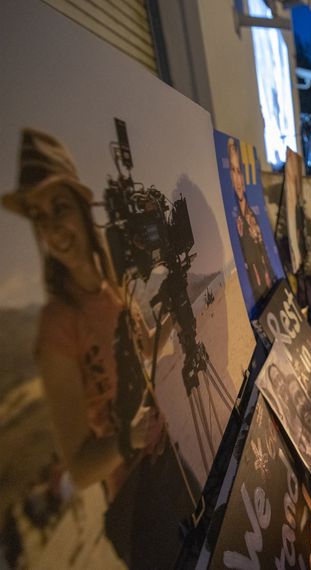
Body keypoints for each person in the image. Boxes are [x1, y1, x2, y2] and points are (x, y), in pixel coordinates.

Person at [2, 129, 198, 567]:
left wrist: (174, 308)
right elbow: (81, 468)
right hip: (136, 498)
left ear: (81, 209)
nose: (53, 227)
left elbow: (144, 352)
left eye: (60, 208)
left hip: (167, 461)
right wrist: (127, 437)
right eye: (40, 216)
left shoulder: (111, 287)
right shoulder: (58, 323)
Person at [228, 138, 274, 303]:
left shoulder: (253, 216)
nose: (238, 179)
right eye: (233, 171)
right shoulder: (233, 219)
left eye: (239, 171)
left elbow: (264, 254)